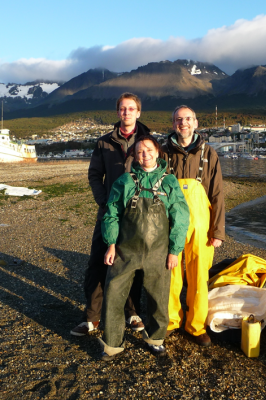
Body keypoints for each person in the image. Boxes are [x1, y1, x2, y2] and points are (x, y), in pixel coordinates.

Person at [99, 135, 189, 360]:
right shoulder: (124, 182)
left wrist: (174, 251)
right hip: (125, 250)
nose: (145, 154)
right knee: (113, 293)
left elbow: (181, 218)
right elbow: (112, 214)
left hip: (159, 252)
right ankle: (112, 343)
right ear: (135, 156)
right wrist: (110, 245)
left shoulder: (169, 182)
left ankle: (155, 338)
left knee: (158, 297)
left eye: (149, 150)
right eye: (139, 151)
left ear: (157, 152)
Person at [70, 93, 148, 336]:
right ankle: (92, 318)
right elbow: (95, 175)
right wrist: (104, 203)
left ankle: (132, 312)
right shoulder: (104, 143)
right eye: (122, 109)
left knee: (134, 264)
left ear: (138, 112)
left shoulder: (149, 142)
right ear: (118, 113)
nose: (126, 112)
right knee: (98, 263)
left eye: (131, 108)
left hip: (138, 215)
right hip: (108, 213)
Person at [163, 105, 225, 347]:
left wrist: (217, 231)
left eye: (188, 119)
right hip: (171, 221)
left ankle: (196, 325)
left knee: (200, 274)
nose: (183, 123)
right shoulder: (162, 153)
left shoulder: (210, 153)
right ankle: (170, 321)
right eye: (179, 119)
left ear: (196, 123)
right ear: (173, 124)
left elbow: (218, 194)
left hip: (203, 222)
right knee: (171, 271)